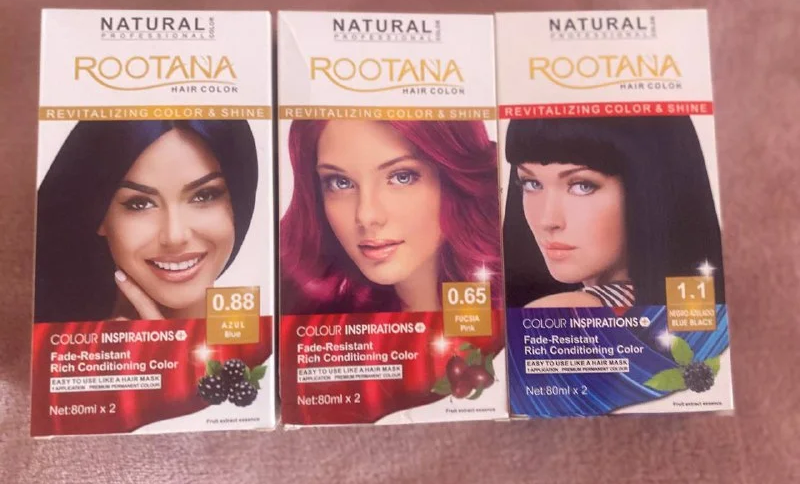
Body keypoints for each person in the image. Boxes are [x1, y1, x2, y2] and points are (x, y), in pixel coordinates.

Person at [35, 119, 258, 322]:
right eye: (140, 204)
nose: (175, 236)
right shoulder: (55, 344)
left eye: (204, 195)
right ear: (100, 214)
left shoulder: (266, 337)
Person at [280, 119, 502, 314]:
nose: (366, 216)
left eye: (402, 177)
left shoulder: (511, 309)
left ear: (455, 179)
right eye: (340, 182)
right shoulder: (314, 324)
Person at [503, 116, 725, 308]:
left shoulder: (559, 311)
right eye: (531, 183)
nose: (547, 220)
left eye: (582, 186)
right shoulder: (693, 312)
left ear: (653, 188)